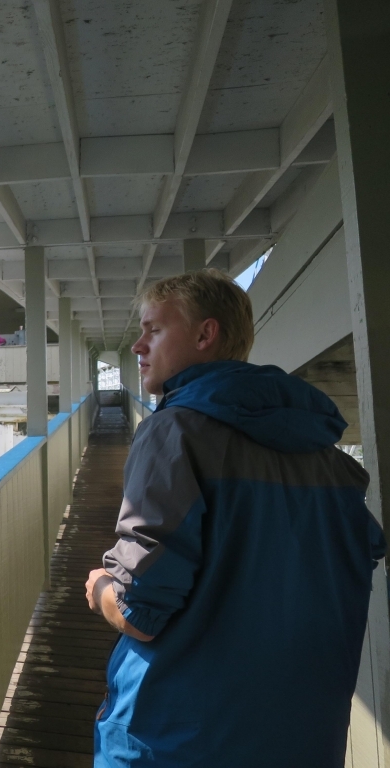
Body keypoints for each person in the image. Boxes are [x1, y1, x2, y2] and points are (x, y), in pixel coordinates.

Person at [85, 269, 385, 767]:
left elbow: (139, 611)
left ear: (206, 335)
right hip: (303, 734)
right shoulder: (328, 456)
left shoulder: (174, 432)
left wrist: (98, 588)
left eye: (153, 330)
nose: (138, 345)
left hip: (179, 738)